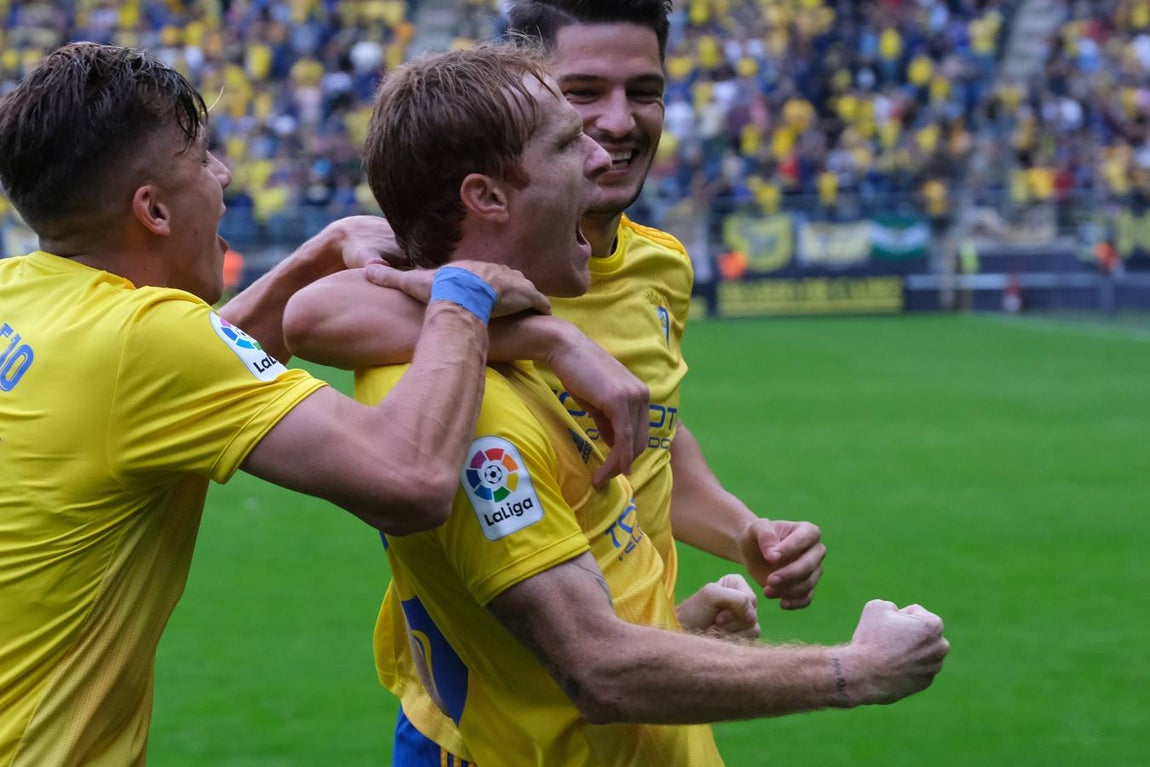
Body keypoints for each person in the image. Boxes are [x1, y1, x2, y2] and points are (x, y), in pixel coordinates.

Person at [292, 41, 949, 767]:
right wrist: (856, 668)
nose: (605, 156)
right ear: (487, 196)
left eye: (642, 90)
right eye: (570, 138)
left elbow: (576, 594)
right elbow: (598, 666)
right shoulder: (468, 408)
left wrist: (670, 621)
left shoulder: (523, 335)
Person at [0, 42, 552, 766]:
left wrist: (317, 255)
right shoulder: (148, 340)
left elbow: (184, 366)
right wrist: (462, 296)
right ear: (154, 209)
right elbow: (410, 475)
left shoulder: (21, 290)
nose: (224, 177)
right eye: (203, 161)